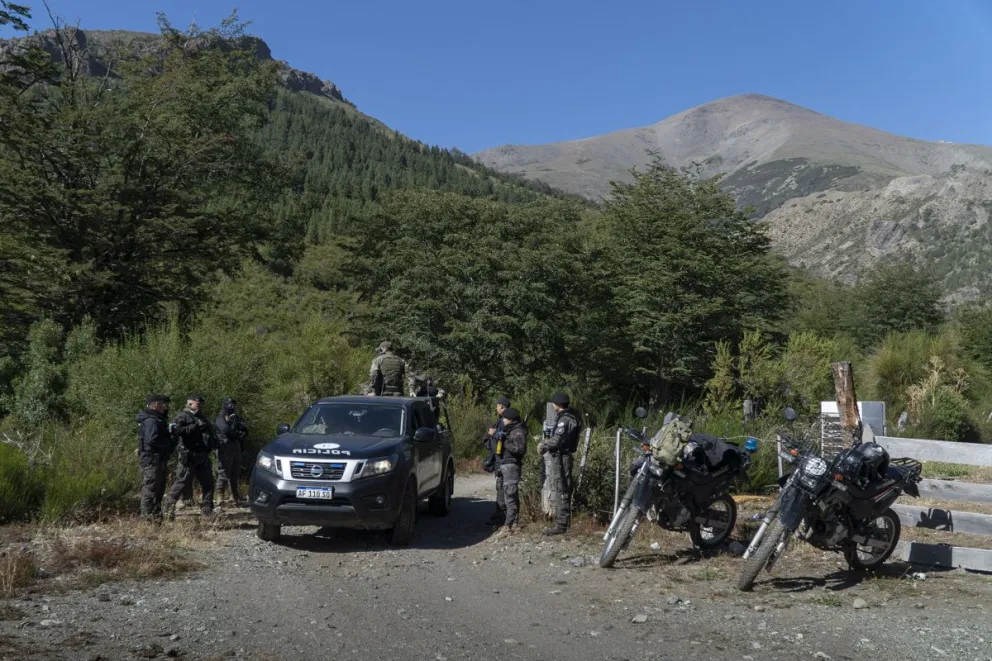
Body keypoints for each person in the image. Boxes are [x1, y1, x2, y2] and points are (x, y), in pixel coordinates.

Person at [163, 394, 219, 519]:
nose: (200, 406)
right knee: (181, 482)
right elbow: (177, 431)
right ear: (189, 403)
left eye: (201, 404)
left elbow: (210, 433)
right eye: (198, 403)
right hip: (188, 455)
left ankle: (207, 509)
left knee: (208, 483)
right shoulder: (182, 416)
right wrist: (195, 426)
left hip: (202, 455)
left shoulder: (202, 417)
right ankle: (167, 510)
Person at [539, 392, 581, 536]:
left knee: (560, 488)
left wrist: (544, 445)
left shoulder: (565, 419)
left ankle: (561, 524)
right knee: (562, 487)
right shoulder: (570, 417)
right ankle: (563, 522)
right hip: (563, 456)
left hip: (561, 457)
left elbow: (557, 439)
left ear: (557, 404)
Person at [136, 394, 176, 522]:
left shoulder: (157, 419)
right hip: (152, 459)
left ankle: (156, 517)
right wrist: (168, 441)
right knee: (151, 489)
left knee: (159, 489)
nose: (166, 407)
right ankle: (147, 519)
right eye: (164, 404)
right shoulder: (151, 420)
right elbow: (152, 440)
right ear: (157, 404)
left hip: (158, 459)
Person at [494, 407, 527, 539]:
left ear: (511, 419)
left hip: (512, 466)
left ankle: (508, 526)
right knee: (509, 496)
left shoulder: (517, 431)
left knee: (510, 496)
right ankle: (513, 524)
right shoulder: (509, 431)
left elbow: (520, 450)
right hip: (506, 465)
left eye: (505, 418)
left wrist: (505, 441)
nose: (503, 420)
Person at [215, 397, 248, 507]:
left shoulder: (236, 417)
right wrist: (235, 431)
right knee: (223, 473)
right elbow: (224, 429)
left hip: (236, 448)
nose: (232, 407)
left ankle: (234, 496)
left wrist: (242, 431)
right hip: (225, 448)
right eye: (230, 405)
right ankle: (220, 496)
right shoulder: (220, 417)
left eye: (233, 405)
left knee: (235, 474)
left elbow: (244, 428)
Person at [483, 396, 511, 526]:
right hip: (500, 458)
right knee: (500, 486)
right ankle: (499, 513)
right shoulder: (503, 420)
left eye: (497, 405)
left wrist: (492, 434)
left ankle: (502, 516)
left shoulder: (505, 421)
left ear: (502, 406)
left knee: (501, 487)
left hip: (502, 459)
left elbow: (499, 440)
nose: (496, 408)